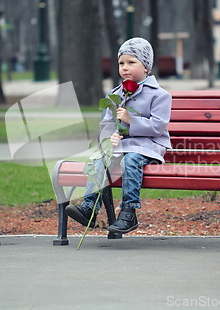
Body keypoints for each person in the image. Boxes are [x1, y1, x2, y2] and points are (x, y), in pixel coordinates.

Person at [65, 37, 172, 234]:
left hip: (147, 145)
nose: (125, 68)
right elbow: (106, 123)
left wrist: (131, 121)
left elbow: (158, 126)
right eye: (121, 63)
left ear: (146, 66)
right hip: (122, 145)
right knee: (99, 159)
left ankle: (128, 212)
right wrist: (109, 138)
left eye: (132, 62)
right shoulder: (115, 94)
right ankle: (89, 208)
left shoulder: (160, 95)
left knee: (130, 161)